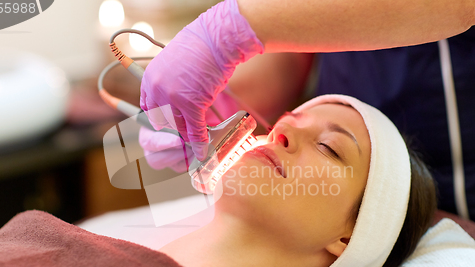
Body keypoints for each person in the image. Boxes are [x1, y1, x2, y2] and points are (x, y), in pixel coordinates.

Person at [0, 95, 436, 267]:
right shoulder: (40, 234)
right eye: (283, 123)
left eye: (329, 147)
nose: (277, 135)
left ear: (349, 238)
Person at [138, 0, 475, 219]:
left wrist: (226, 34)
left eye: (326, 146)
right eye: (291, 118)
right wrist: (220, 100)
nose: (279, 132)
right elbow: (295, 44)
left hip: (450, 197)